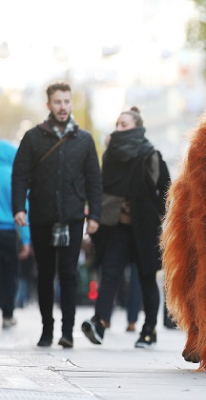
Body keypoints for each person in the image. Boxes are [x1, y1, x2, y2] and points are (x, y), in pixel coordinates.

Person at [12, 82, 102, 348]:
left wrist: (94, 214)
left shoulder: (84, 139)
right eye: (57, 102)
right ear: (49, 105)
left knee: (69, 274)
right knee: (45, 274)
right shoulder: (33, 137)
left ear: (71, 104)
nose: (62, 107)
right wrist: (19, 207)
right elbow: (20, 175)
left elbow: (94, 180)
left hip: (73, 217)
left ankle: (67, 332)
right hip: (41, 216)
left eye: (66, 102)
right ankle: (47, 330)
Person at [82, 107, 170, 348]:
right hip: (116, 227)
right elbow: (102, 185)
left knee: (146, 278)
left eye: (124, 124)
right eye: (117, 124)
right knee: (110, 274)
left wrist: (159, 215)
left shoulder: (151, 154)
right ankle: (99, 323)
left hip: (144, 227)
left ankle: (149, 330)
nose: (118, 128)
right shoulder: (110, 154)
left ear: (136, 127)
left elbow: (167, 188)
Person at [0, 140, 31, 329]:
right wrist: (26, 239)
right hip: (9, 233)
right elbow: (22, 208)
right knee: (9, 274)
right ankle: (8, 314)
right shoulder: (13, 177)